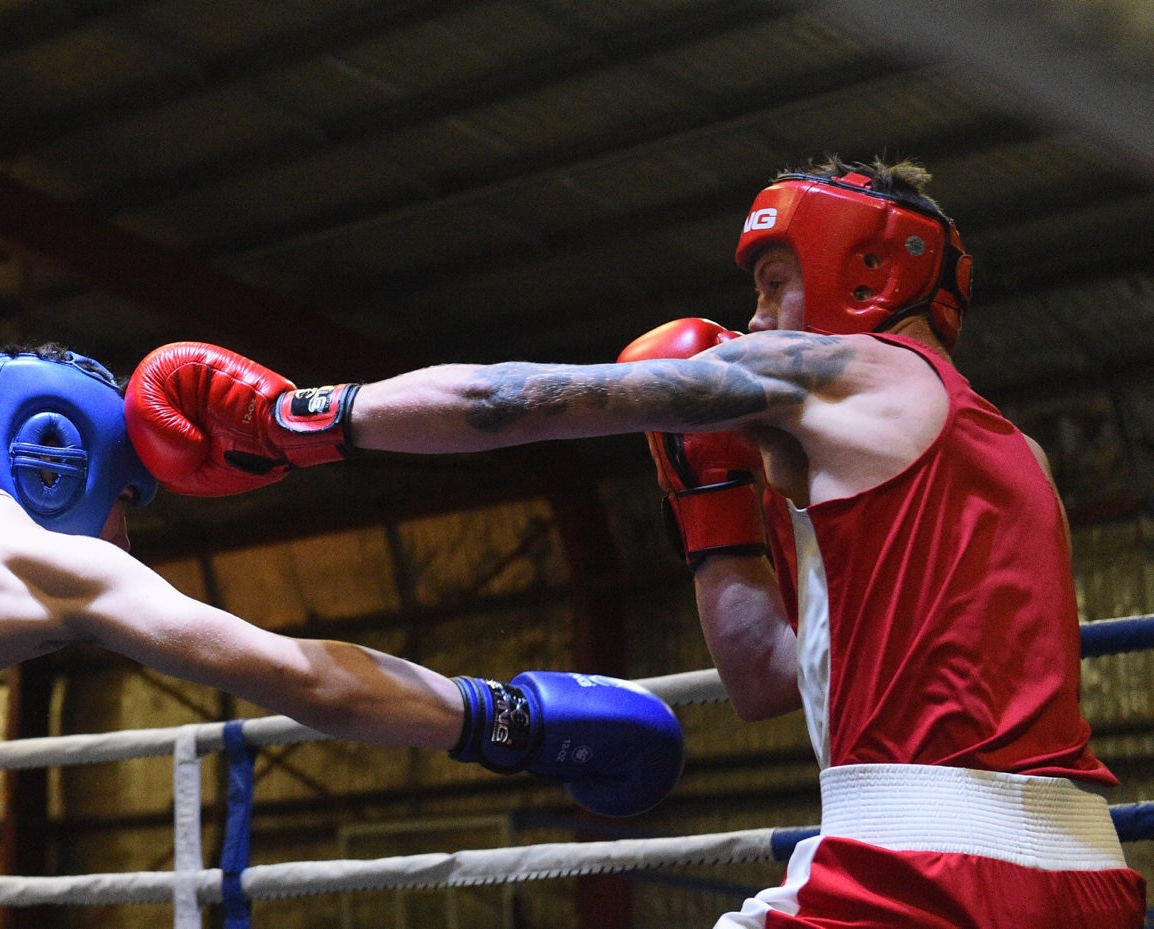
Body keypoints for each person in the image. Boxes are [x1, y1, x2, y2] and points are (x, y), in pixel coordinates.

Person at [126, 157, 1145, 927]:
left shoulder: (849, 373)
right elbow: (767, 675)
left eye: (776, 281)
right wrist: (709, 500)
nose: (750, 320)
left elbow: (506, 399)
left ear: (867, 274)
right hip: (1086, 876)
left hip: (917, 871)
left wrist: (304, 415)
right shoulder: (1004, 457)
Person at [0, 344, 686, 929]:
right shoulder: (28, 556)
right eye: (127, 500)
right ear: (54, 459)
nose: (127, 537)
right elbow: (308, 681)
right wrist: (502, 719)